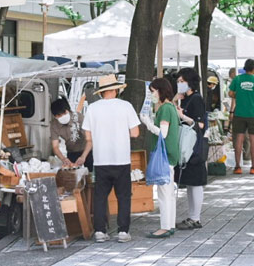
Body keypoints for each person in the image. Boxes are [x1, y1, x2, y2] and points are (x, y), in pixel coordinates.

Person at [81, 74, 139, 243]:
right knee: (123, 196)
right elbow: (135, 132)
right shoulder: (126, 106)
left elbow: (88, 136)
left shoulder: (92, 108)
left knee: (100, 196)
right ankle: (122, 232)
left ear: (101, 92)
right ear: (115, 90)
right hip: (121, 157)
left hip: (101, 159)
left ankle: (99, 231)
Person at [140, 78, 180, 239]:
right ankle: (169, 225)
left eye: (153, 91)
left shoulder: (165, 109)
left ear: (160, 91)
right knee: (169, 193)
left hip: (164, 156)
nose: (152, 95)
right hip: (171, 155)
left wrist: (147, 123)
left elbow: (162, 133)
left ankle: (164, 227)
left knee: (164, 194)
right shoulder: (171, 107)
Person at [173, 68, 207, 230]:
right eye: (178, 82)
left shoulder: (196, 99)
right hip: (186, 146)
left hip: (194, 146)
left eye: (182, 81)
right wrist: (175, 99)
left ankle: (196, 217)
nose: (179, 84)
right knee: (190, 183)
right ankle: (192, 216)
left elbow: (200, 125)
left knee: (196, 182)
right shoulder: (184, 99)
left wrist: (184, 117)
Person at [228, 59, 254, 175]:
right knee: (253, 140)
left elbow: (230, 93)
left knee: (238, 139)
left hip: (239, 113)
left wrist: (239, 94)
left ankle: (237, 166)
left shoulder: (237, 79)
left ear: (244, 67)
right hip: (253, 114)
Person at [50, 96, 93, 170]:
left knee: (88, 173)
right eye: (58, 116)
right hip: (71, 151)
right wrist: (63, 159)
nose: (61, 117)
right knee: (72, 174)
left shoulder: (79, 118)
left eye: (62, 114)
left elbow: (90, 140)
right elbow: (55, 147)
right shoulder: (54, 124)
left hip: (86, 150)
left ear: (68, 111)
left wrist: (83, 156)